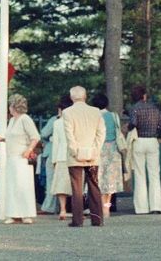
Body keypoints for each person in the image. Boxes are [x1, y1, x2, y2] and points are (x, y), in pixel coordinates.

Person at [62, 85, 106, 228]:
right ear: (85, 96)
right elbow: (101, 132)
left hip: (75, 156)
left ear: (71, 97)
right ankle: (97, 219)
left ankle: (78, 220)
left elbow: (69, 135)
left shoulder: (67, 112)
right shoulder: (95, 112)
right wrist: (95, 149)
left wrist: (75, 151)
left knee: (77, 188)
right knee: (94, 185)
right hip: (93, 155)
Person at [0, 93, 40, 224]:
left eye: (10, 105)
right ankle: (13, 213)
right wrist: (2, 139)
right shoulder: (13, 121)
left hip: (21, 157)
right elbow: (13, 136)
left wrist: (29, 150)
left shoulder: (25, 119)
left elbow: (35, 136)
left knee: (23, 185)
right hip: (12, 157)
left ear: (14, 106)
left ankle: (26, 214)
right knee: (13, 185)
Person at [128, 85, 161, 214]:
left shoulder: (134, 109)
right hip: (152, 141)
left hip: (139, 141)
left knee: (139, 174)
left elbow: (133, 124)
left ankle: (141, 208)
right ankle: (156, 207)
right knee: (154, 174)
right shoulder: (155, 108)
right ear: (144, 96)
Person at [91, 93, 124, 218]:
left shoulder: (93, 117)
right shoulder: (114, 116)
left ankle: (99, 207)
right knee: (110, 181)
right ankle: (107, 208)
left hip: (99, 150)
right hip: (113, 150)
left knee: (98, 179)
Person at [50, 94, 73, 220]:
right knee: (75, 184)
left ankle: (63, 209)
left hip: (61, 155)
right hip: (74, 155)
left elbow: (56, 143)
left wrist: (54, 160)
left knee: (60, 184)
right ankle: (75, 209)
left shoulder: (57, 123)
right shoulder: (76, 121)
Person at [39, 108, 59, 215]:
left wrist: (50, 138)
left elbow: (44, 133)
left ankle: (49, 207)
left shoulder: (54, 119)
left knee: (50, 181)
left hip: (52, 152)